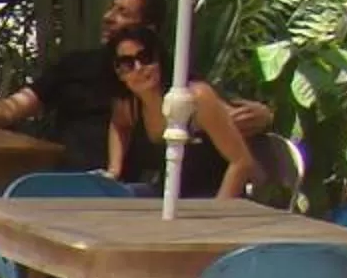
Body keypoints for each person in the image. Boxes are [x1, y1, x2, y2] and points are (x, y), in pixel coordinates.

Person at [0, 0, 268, 170]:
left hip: (132, 196)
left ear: (148, 31)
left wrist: (264, 116)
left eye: (123, 13)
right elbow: (12, 108)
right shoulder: (76, 66)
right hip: (68, 180)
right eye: (111, 8)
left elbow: (225, 121)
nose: (109, 17)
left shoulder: (166, 76)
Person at [104, 23, 257, 201]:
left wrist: (217, 212)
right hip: (167, 198)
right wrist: (114, 169)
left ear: (159, 58)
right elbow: (118, 125)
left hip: (211, 200)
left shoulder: (195, 98)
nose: (139, 67)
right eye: (126, 63)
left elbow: (241, 162)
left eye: (145, 57)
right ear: (117, 73)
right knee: (107, 198)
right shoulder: (130, 105)